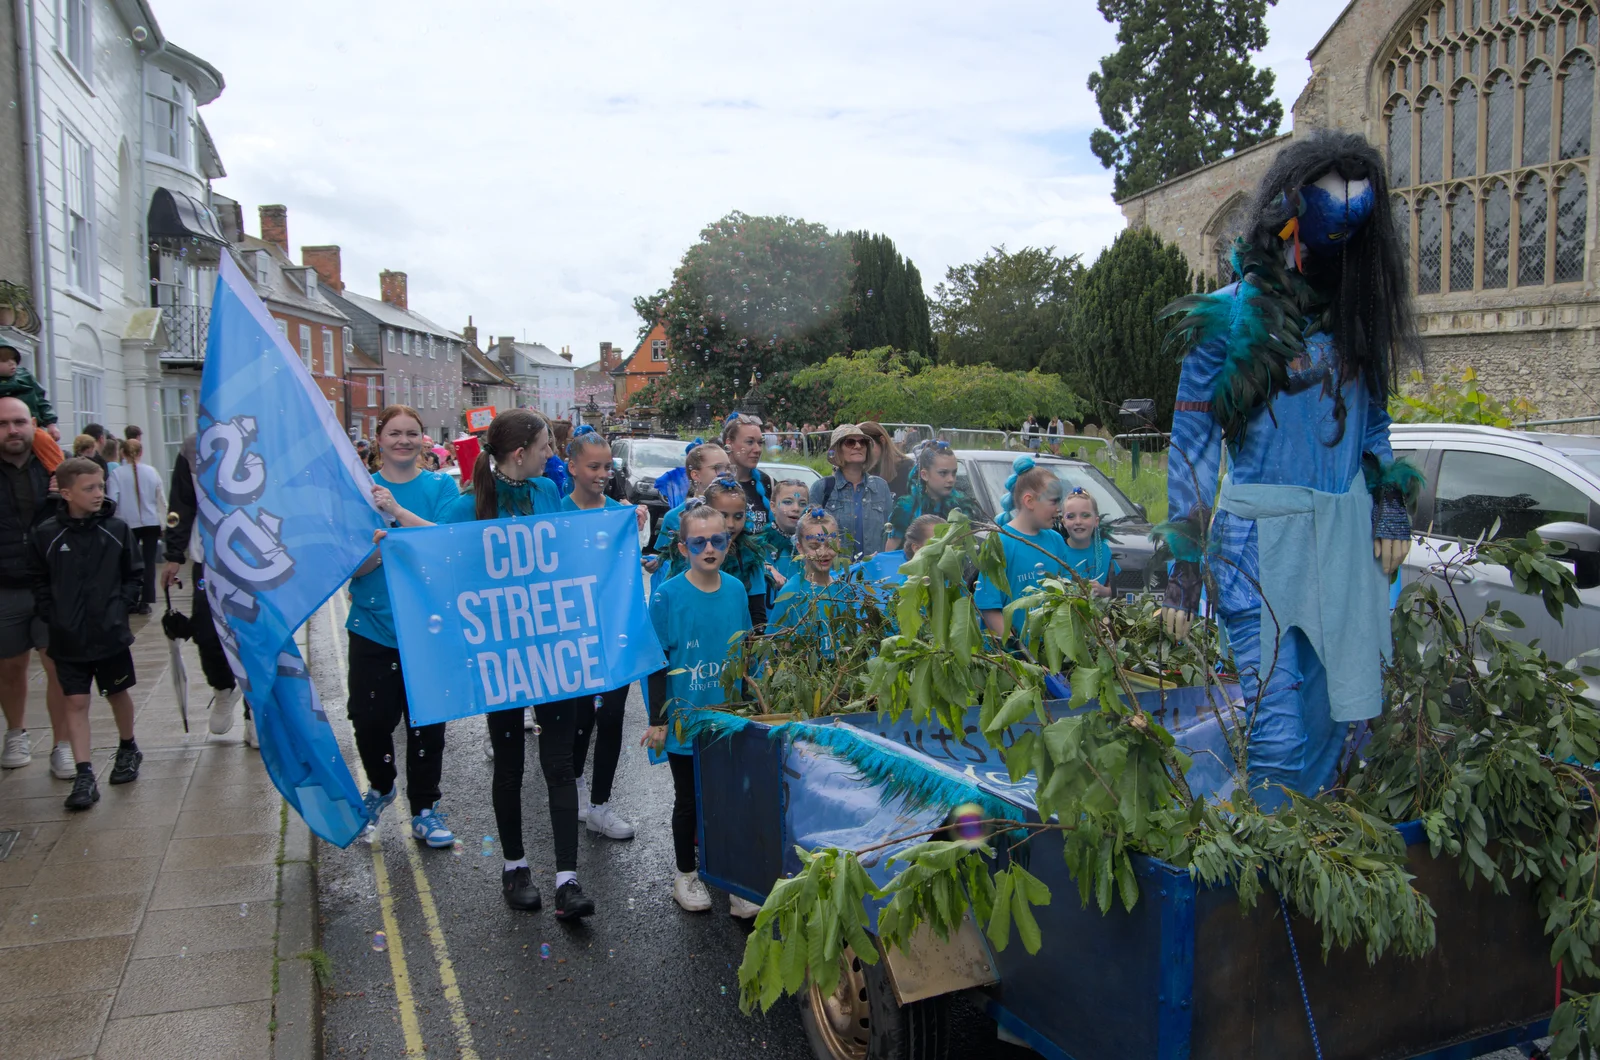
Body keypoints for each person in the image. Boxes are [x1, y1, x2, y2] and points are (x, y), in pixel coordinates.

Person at [1155, 130, 1416, 809]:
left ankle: (1308, 843)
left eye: (1363, 212)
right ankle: (1269, 860)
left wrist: (1390, 499)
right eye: (1337, 207)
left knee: (1339, 717)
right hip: (1259, 545)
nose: (1348, 225)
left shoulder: (1358, 319)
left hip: (1344, 535)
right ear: (1291, 211)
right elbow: (1191, 445)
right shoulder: (1230, 319)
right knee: (1275, 730)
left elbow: (1375, 427)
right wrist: (1185, 565)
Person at [467, 409, 596, 919]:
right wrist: (397, 527)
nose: (552, 454)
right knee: (511, 765)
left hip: (550, 645)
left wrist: (617, 523)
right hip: (502, 650)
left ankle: (568, 879)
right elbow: (435, 546)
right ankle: (514, 866)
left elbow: (570, 544)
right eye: (546, 446)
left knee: (559, 764)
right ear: (521, 452)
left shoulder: (545, 493)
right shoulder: (472, 503)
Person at [345, 405, 462, 850]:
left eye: (412, 433)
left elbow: (446, 547)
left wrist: (395, 515)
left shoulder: (438, 486)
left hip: (428, 627)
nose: (403, 440)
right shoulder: (359, 492)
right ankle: (380, 785)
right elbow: (355, 568)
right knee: (368, 719)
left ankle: (425, 810)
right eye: (394, 433)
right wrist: (383, 548)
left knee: (426, 722)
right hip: (373, 625)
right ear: (378, 439)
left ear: (423, 440)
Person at [644, 500, 753, 914]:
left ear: (728, 543)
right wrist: (658, 720)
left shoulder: (737, 589)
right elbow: (656, 663)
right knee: (689, 800)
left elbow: (744, 653)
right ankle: (685, 875)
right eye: (699, 542)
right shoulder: (668, 596)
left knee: (728, 799)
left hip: (727, 718)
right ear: (683, 546)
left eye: (718, 540)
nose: (709, 548)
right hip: (685, 720)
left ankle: (731, 880)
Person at [29, 457, 143, 810]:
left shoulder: (116, 528)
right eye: (89, 488)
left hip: (109, 634)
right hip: (67, 638)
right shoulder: (46, 534)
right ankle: (83, 772)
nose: (98, 494)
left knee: (117, 692)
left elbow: (134, 573)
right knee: (75, 701)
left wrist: (120, 607)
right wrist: (53, 614)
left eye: (101, 487)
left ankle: (128, 747)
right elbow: (39, 580)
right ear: (66, 493)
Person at [558, 425, 649, 842]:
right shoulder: (556, 514)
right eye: (593, 466)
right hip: (573, 636)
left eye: (608, 466)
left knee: (611, 717)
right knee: (579, 719)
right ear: (571, 466)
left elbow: (633, 566)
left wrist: (638, 524)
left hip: (613, 634)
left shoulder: (621, 514)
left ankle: (600, 805)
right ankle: (577, 786)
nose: (602, 474)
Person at [0, 396, 65, 773]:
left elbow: (98, 504)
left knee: (57, 666)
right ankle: (16, 732)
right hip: (5, 586)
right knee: (9, 667)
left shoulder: (56, 468)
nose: (12, 430)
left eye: (19, 422)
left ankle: (63, 743)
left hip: (51, 585)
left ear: (33, 425)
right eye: (4, 423)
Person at [974, 458, 1069, 641]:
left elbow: (1066, 592)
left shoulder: (1056, 540)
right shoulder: (1000, 543)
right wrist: (1018, 650)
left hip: (1050, 649)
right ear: (1030, 501)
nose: (1059, 509)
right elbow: (989, 607)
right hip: (1015, 658)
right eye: (1053, 502)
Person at [769, 508, 851, 658]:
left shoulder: (844, 590)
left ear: (838, 544)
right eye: (814, 547)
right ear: (800, 547)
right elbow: (774, 646)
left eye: (829, 544)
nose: (823, 552)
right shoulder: (790, 593)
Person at [810, 424, 894, 558]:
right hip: (835, 572)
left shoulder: (881, 486)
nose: (858, 446)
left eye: (863, 442)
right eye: (850, 442)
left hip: (873, 572)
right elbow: (809, 534)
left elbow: (890, 533)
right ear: (838, 450)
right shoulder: (821, 487)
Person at [106, 438, 165, 614]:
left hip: (127, 522)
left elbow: (112, 499)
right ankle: (146, 601)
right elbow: (161, 499)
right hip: (151, 522)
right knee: (149, 562)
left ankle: (131, 599)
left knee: (130, 563)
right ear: (141, 452)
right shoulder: (152, 471)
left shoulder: (117, 474)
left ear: (122, 453)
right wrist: (163, 522)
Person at [650, 441, 734, 563]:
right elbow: (667, 562)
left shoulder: (735, 512)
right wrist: (655, 563)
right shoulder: (675, 517)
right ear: (696, 475)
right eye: (717, 468)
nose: (726, 473)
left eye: (728, 467)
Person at [887, 441, 968, 550]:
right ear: (924, 475)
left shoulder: (961, 506)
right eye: (943, 473)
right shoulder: (907, 507)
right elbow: (890, 551)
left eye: (954, 473)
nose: (951, 479)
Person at [0, 345, 62, 470]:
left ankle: (58, 473)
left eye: (13, 360)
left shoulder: (24, 376)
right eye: (5, 361)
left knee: (44, 442)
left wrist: (51, 423)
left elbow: (41, 399)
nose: (11, 364)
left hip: (32, 426)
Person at [721, 413, 775, 534]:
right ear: (729, 443)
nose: (757, 450)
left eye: (760, 443)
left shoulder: (769, 483)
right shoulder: (715, 483)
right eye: (750, 442)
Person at [758, 478, 809, 603]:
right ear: (773, 506)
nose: (796, 508)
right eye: (788, 502)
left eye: (802, 503)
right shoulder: (757, 544)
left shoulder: (813, 545)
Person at [1060, 488, 1116, 597]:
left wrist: (1104, 591)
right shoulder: (1058, 551)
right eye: (1071, 516)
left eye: (1085, 515)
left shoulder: (1103, 551)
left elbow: (1116, 590)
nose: (1078, 522)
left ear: (1096, 521)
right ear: (1064, 522)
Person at [858, 422, 912, 497]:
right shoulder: (863, 471)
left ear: (882, 441)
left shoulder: (908, 468)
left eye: (866, 444)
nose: (863, 452)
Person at [544, 420, 573, 497]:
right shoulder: (553, 465)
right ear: (561, 440)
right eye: (571, 439)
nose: (574, 442)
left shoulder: (564, 461)